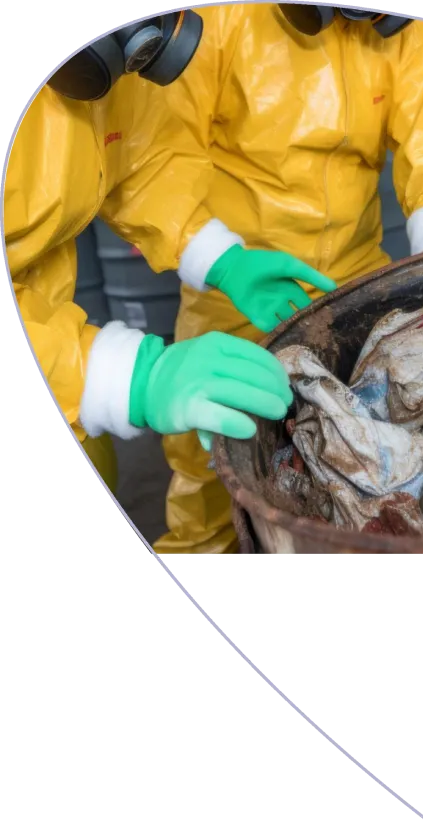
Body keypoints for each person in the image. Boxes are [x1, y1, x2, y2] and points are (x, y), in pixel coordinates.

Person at [153, 4, 423, 555]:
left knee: (368, 447)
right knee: (213, 453)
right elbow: (160, 155)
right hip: (240, 284)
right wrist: (219, 260)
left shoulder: (402, 34)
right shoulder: (222, 20)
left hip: (354, 277)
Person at [6, 13, 332, 499]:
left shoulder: (118, 64)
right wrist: (124, 376)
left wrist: (221, 257)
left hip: (58, 352)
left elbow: (143, 160)